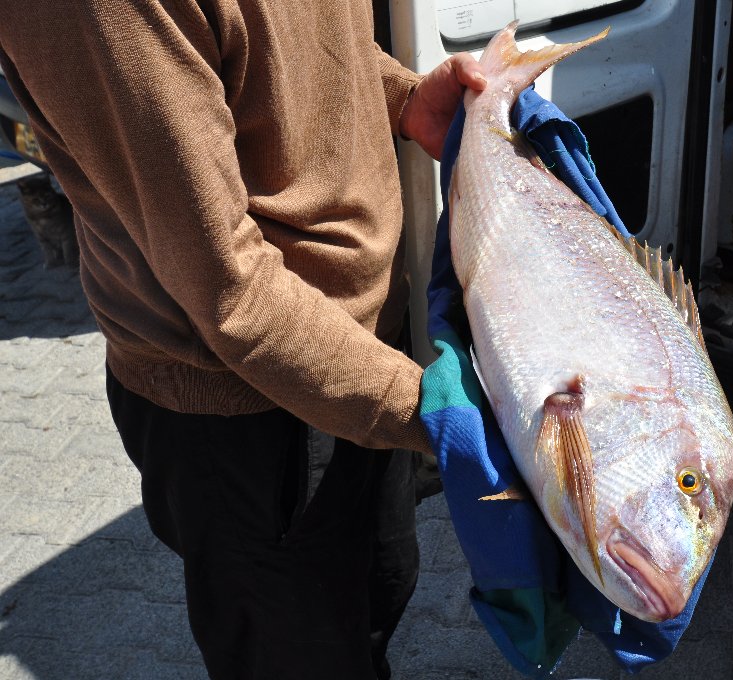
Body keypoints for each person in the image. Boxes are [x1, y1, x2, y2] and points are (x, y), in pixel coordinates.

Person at [0, 1, 486, 678]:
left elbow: (295, 54)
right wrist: (435, 411)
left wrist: (402, 98)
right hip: (247, 406)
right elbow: (231, 293)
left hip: (357, 364)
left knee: (374, 605)